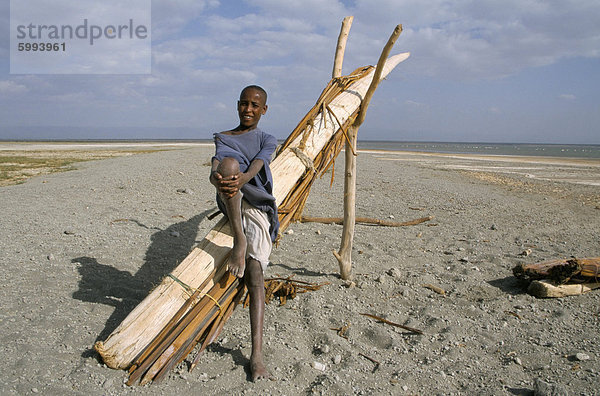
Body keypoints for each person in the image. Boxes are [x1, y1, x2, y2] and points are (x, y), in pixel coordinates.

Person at [209, 85, 279, 381]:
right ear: (237, 105)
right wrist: (217, 179)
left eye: (255, 105)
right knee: (228, 163)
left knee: (255, 272)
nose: (248, 110)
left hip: (255, 198)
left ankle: (257, 354)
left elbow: (260, 165)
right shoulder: (224, 137)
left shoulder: (267, 138)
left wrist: (243, 178)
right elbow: (217, 166)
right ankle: (240, 238)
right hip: (230, 199)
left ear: (264, 110)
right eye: (244, 104)